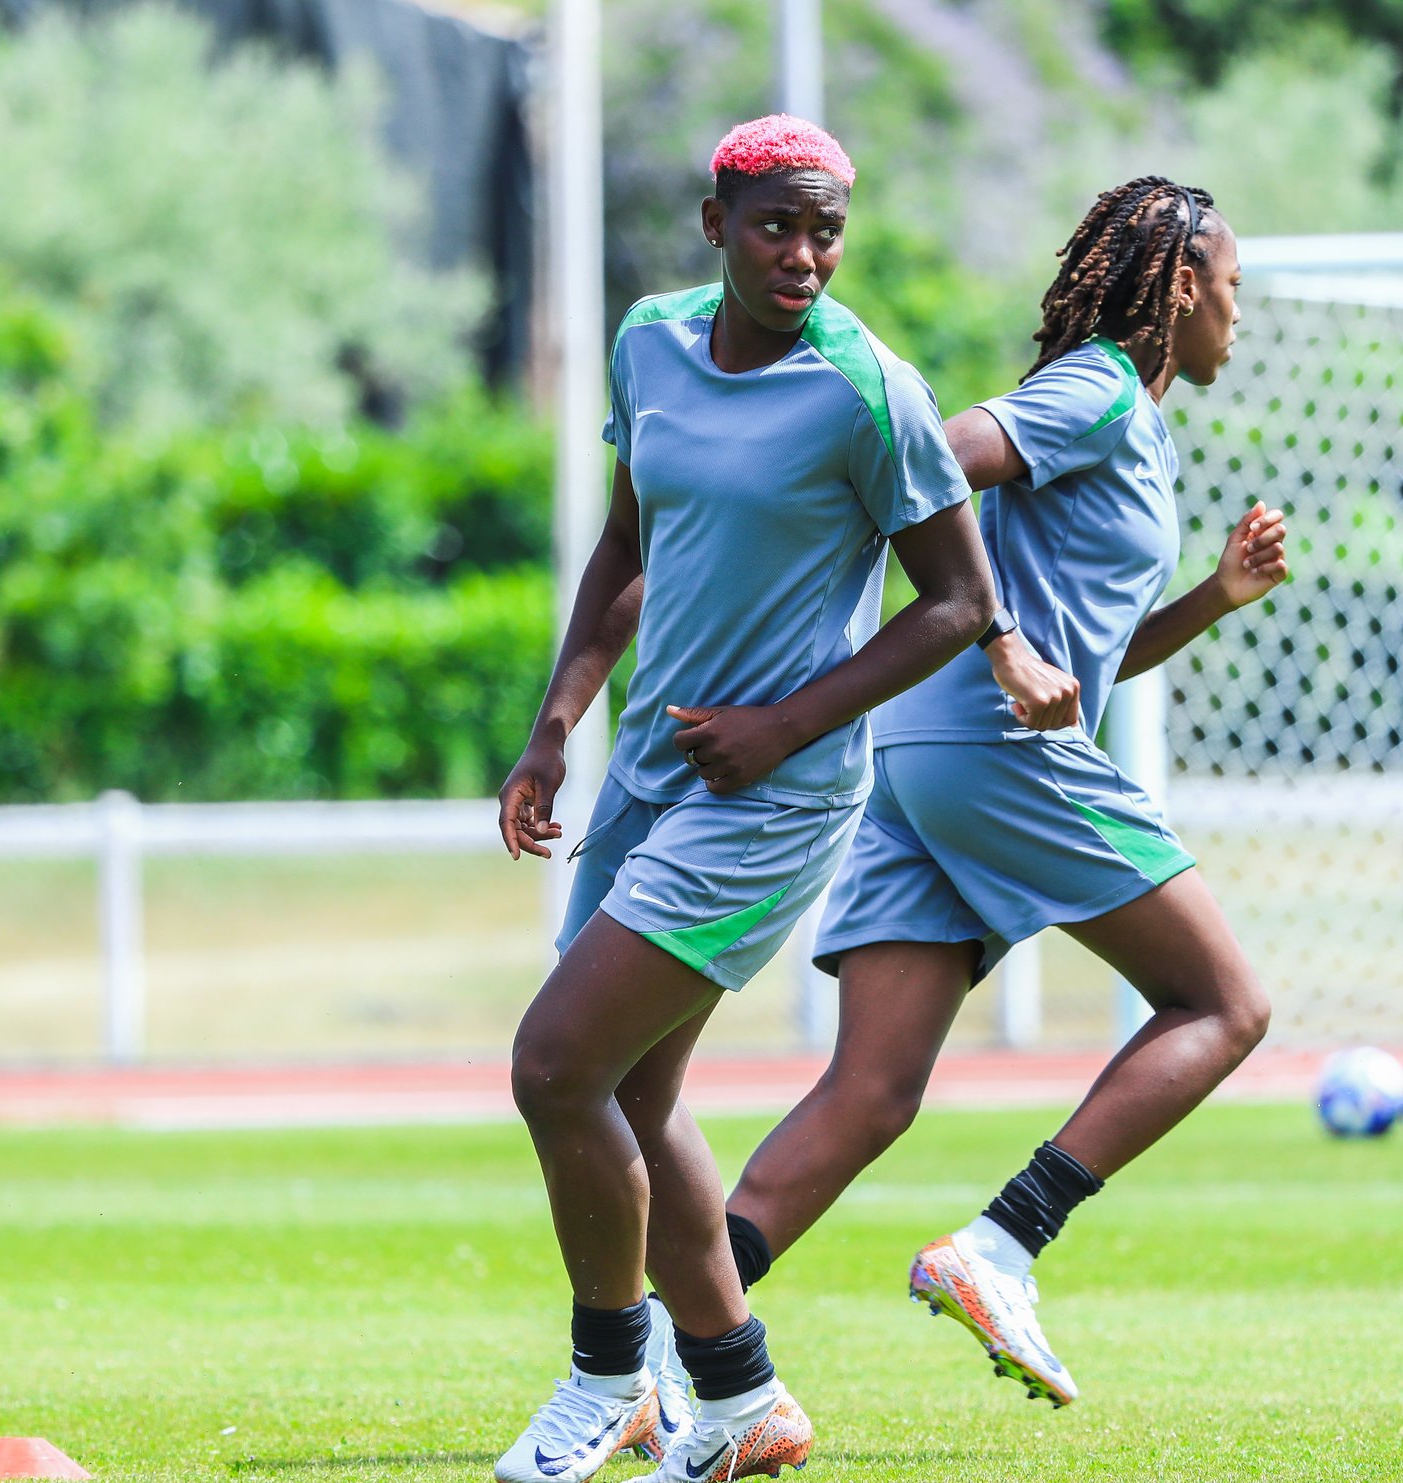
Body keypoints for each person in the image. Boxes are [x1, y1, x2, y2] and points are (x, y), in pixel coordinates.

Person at [715, 177, 1287, 1408]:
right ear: (1181, 288)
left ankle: (668, 1350)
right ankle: (1001, 1244)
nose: (1241, 317)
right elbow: (926, 460)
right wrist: (996, 644)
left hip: (921, 751)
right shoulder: (1090, 390)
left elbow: (1095, 655)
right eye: (1234, 290)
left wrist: (1214, 600)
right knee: (1222, 1004)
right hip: (986, 740)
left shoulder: (1133, 422)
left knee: (868, 1092)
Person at [490, 116, 995, 1483]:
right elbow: (625, 544)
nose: (806, 254)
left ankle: (614, 1373)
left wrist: (785, 724)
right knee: (637, 1098)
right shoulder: (650, 339)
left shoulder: (868, 389)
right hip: (656, 768)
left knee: (555, 1064)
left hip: (776, 792)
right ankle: (739, 1397)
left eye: (828, 229)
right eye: (777, 225)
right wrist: (554, 732)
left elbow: (959, 601)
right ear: (716, 222)